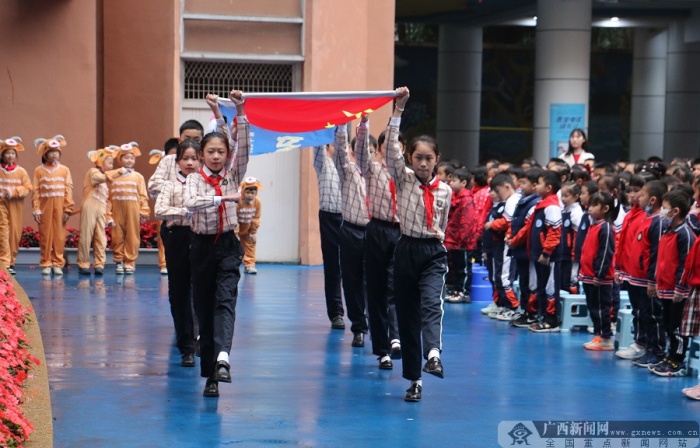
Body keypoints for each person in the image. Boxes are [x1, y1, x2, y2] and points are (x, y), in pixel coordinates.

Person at [387, 87, 452, 402]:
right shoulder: (404, 179)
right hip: (406, 249)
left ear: (437, 159)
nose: (423, 163)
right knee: (408, 315)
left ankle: (434, 355)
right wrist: (398, 111)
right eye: (418, 158)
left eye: (429, 158)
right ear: (410, 159)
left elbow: (443, 222)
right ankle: (415, 380)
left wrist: (435, 238)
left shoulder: (446, 191)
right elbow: (390, 151)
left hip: (432, 252)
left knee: (431, 304)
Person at [184, 89, 248, 398]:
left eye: (221, 151)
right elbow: (192, 203)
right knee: (204, 308)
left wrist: (238, 110)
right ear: (202, 155)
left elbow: (242, 146)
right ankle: (210, 372)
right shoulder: (194, 179)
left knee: (225, 301)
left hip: (228, 247)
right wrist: (224, 198)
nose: (216, 156)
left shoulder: (233, 174)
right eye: (210, 151)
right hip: (201, 247)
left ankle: (223, 358)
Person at [354, 115, 403, 366]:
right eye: (386, 146)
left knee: (397, 287)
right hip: (377, 230)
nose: (391, 149)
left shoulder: (408, 175)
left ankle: (396, 337)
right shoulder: (372, 169)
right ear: (381, 150)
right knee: (376, 289)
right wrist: (363, 125)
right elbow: (361, 153)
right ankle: (382, 349)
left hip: (401, 232)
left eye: (396, 145)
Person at [155, 139, 201, 368]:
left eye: (194, 158)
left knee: (201, 290)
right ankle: (186, 347)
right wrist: (186, 211)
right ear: (178, 162)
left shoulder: (206, 185)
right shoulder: (170, 185)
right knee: (180, 292)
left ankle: (200, 338)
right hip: (177, 238)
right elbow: (160, 210)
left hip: (201, 238)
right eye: (185, 158)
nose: (190, 163)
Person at [507, 170, 562, 332]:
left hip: (549, 257)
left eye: (540, 183)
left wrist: (547, 252)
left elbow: (554, 232)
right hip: (538, 256)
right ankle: (541, 315)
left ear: (549, 188)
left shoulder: (552, 207)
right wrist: (514, 241)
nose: (536, 186)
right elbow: (528, 229)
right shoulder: (541, 205)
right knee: (541, 286)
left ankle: (551, 320)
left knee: (550, 287)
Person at [649, 189, 696, 377]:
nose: (661, 211)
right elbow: (661, 260)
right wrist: (656, 281)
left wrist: (680, 288)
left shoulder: (685, 234)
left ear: (675, 211)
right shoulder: (667, 231)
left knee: (677, 328)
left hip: (677, 292)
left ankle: (678, 360)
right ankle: (669, 356)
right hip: (665, 288)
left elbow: (686, 264)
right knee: (668, 325)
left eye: (664, 207)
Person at [333, 123, 370, 348]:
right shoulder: (347, 171)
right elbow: (340, 149)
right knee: (352, 281)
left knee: (375, 281)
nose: (366, 155)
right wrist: (342, 124)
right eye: (361, 150)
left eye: (371, 151)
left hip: (375, 232)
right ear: (354, 153)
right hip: (351, 230)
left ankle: (379, 323)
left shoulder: (380, 174)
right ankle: (359, 327)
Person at [625, 180, 666, 368]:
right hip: (637, 278)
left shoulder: (658, 221)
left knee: (653, 316)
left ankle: (656, 351)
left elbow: (656, 253)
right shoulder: (645, 219)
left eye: (641, 195)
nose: (638, 198)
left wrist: (652, 280)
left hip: (647, 280)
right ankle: (646, 347)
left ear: (653, 200)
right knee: (643, 314)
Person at [612, 174, 649, 359]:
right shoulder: (629, 215)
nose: (632, 195)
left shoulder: (648, 217)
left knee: (645, 312)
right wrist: (619, 268)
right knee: (637, 310)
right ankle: (639, 342)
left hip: (643, 274)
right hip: (630, 272)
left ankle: (645, 345)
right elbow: (623, 245)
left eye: (637, 191)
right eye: (630, 191)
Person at [312, 142, 345, 330]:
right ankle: (336, 313)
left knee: (354, 268)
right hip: (329, 217)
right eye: (333, 144)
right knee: (333, 267)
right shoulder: (323, 164)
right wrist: (319, 134)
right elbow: (317, 146)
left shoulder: (350, 166)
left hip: (350, 219)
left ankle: (361, 310)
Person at [32, 135, 74, 276]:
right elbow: (35, 191)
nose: (54, 154)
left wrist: (67, 209)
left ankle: (57, 263)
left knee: (59, 236)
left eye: (56, 151)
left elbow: (68, 189)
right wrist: (36, 208)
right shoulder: (39, 170)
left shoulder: (64, 170)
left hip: (60, 207)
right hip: (45, 208)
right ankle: (46, 262)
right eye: (51, 152)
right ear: (45, 154)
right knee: (45, 235)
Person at [579, 192, 616, 351]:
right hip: (588, 275)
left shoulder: (606, 227)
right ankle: (599, 334)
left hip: (599, 277)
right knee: (593, 307)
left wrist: (599, 274)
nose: (590, 208)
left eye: (594, 205)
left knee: (601, 308)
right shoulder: (593, 226)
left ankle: (606, 337)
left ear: (605, 209)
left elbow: (606, 252)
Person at [106, 143, 150, 274]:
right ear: (119, 159)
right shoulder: (113, 176)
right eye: (126, 157)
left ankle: (130, 262)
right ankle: (119, 260)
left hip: (133, 211)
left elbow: (143, 195)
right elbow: (108, 196)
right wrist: (108, 213)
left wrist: (144, 211)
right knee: (117, 235)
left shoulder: (138, 177)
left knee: (132, 236)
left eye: (132, 158)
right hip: (117, 210)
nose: (129, 160)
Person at [507, 167, 542, 327]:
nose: (520, 186)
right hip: (520, 249)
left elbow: (527, 228)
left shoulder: (534, 204)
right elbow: (515, 222)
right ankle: (525, 310)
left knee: (530, 283)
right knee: (523, 282)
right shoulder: (523, 200)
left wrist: (514, 240)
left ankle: (531, 313)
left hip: (527, 250)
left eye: (524, 183)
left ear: (534, 185)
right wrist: (509, 234)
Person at [484, 173, 521, 320]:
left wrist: (492, 224)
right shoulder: (508, 201)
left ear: (507, 187)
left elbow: (507, 222)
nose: (497, 195)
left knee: (504, 277)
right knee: (498, 276)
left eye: (498, 191)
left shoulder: (513, 201)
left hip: (507, 244)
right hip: (499, 244)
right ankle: (504, 305)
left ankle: (513, 307)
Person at [77, 147, 116, 276]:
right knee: (86, 236)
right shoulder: (93, 172)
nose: (111, 166)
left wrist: (108, 217)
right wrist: (120, 171)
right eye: (109, 163)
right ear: (100, 162)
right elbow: (98, 178)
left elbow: (107, 201)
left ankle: (99, 264)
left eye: (112, 164)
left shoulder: (106, 183)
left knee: (101, 238)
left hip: (101, 210)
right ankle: (83, 263)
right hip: (90, 207)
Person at [444, 168, 477, 304]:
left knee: (463, 268)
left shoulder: (466, 199)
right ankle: (456, 290)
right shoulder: (455, 197)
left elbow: (467, 221)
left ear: (463, 183)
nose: (450, 183)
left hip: (463, 242)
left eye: (454, 180)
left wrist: (463, 239)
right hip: (454, 240)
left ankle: (463, 292)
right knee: (457, 267)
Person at [0, 138, 32, 275]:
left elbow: (28, 187)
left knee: (14, 233)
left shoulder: (21, 172)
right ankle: (4, 262)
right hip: (1, 204)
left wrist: (13, 192)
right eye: (7, 153)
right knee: (3, 231)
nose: (10, 156)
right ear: (2, 155)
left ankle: (11, 261)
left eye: (13, 153)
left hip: (15, 206)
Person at [149, 138, 179, 275]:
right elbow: (153, 190)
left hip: (180, 212)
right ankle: (164, 263)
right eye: (171, 155)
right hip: (165, 210)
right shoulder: (162, 170)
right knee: (163, 237)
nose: (174, 159)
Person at [559, 182, 583, 294]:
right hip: (562, 253)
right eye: (562, 195)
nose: (563, 199)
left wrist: (574, 253)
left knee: (571, 280)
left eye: (566, 196)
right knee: (561, 280)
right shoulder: (564, 210)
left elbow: (578, 235)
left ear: (576, 196)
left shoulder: (576, 212)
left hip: (571, 255)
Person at [236, 176, 262, 275]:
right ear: (243, 191)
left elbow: (256, 218)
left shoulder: (257, 202)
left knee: (250, 245)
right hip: (237, 227)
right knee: (233, 247)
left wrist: (253, 233)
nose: (250, 195)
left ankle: (249, 265)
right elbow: (234, 216)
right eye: (247, 192)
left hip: (248, 228)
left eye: (252, 193)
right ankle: (233, 265)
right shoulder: (238, 201)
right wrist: (235, 233)